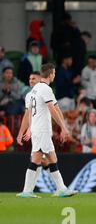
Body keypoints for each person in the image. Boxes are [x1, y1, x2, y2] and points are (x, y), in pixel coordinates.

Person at [16, 63, 77, 198]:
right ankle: (30, 191)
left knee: (48, 158)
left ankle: (58, 189)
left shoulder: (33, 91)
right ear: (50, 74)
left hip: (38, 129)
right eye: (54, 73)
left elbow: (29, 113)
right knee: (40, 159)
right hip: (42, 129)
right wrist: (63, 127)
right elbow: (52, 108)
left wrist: (25, 131)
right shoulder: (46, 89)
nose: (54, 75)